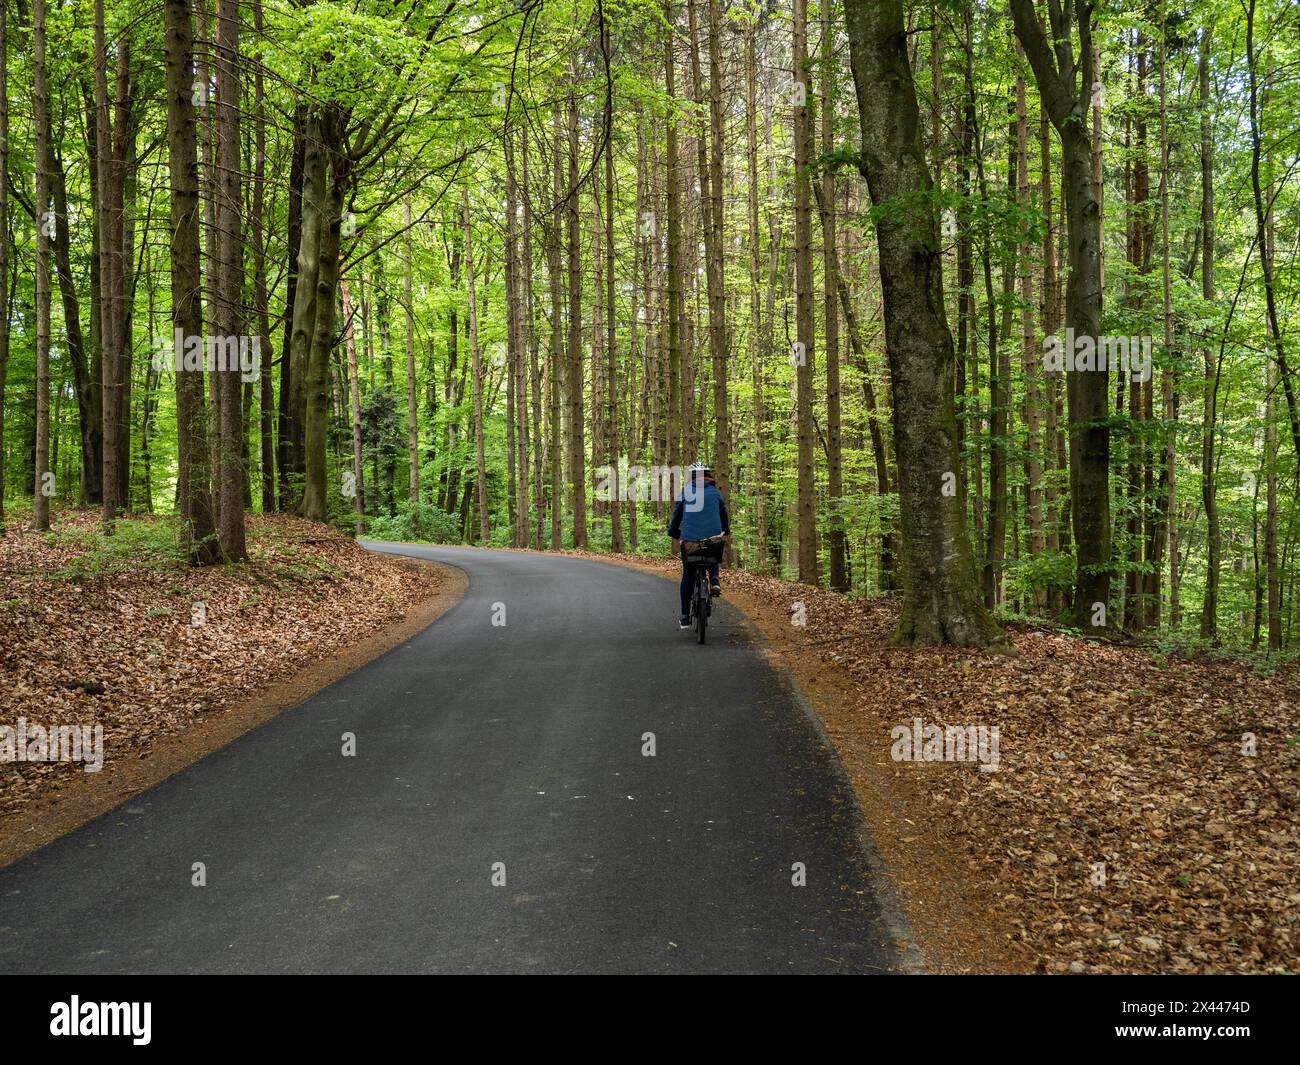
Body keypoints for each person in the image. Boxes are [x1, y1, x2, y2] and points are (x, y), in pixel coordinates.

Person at [667, 462, 730, 629]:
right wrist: (726, 531)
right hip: (712, 541)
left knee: (688, 575)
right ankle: (715, 580)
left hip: (689, 542)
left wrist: (673, 532)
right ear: (708, 475)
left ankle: (685, 617)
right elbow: (724, 515)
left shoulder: (685, 492)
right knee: (713, 548)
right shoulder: (716, 493)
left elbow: (676, 517)